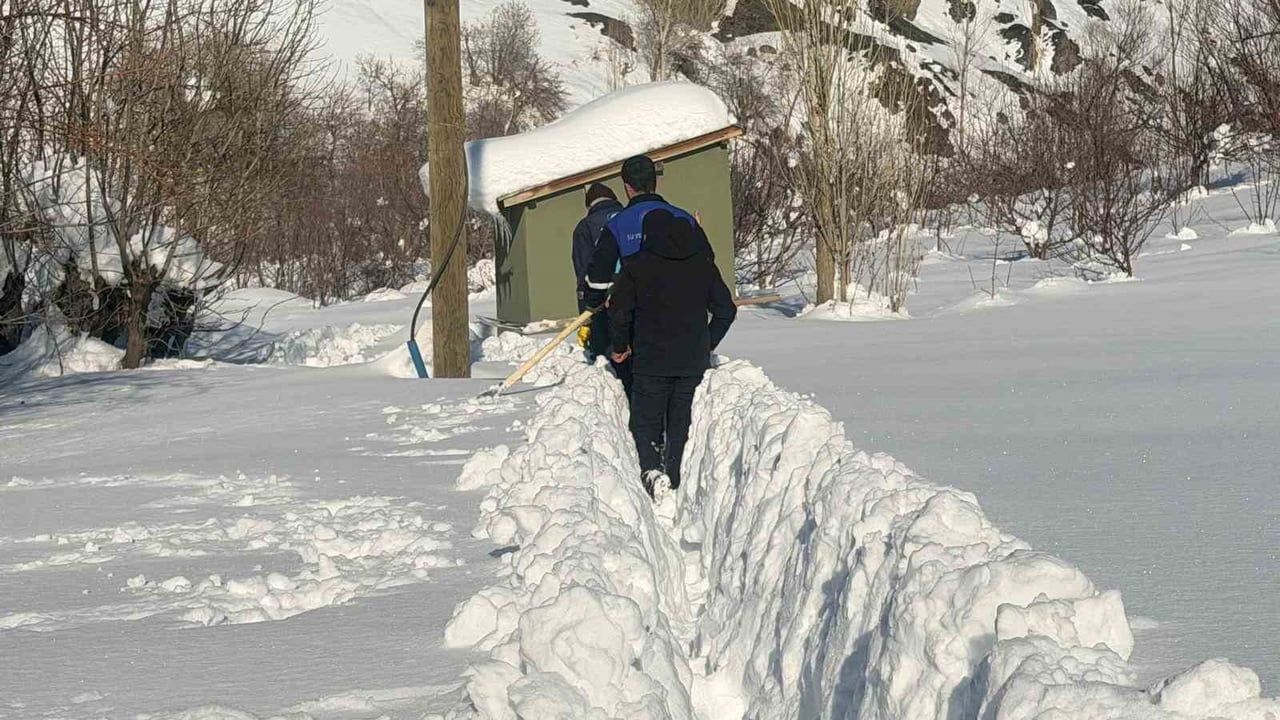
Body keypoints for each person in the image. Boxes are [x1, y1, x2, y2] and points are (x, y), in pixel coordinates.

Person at [608, 208, 736, 498]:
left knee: (647, 422)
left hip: (650, 361)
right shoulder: (703, 265)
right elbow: (726, 310)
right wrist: (707, 343)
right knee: (681, 423)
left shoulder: (636, 266)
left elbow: (619, 312)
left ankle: (652, 471)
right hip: (691, 362)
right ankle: (674, 478)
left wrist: (619, 346)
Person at [584, 155, 716, 398]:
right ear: (656, 182)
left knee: (645, 398)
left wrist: (593, 302)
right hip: (686, 323)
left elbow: (598, 277)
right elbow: (708, 266)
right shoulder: (684, 219)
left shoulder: (618, 224)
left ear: (627, 187)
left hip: (642, 326)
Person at [571, 183, 623, 360]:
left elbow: (584, 270)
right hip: (637, 296)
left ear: (589, 205)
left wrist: (585, 315)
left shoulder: (585, 227)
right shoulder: (631, 218)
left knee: (606, 356)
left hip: (602, 300)